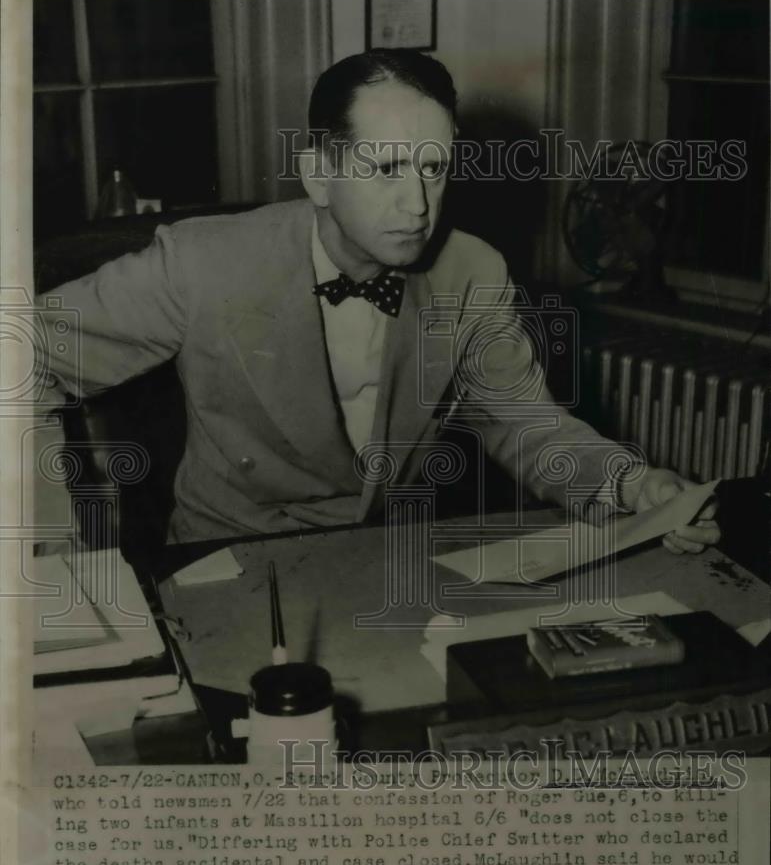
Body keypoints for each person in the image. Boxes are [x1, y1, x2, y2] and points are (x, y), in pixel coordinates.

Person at [35, 49, 719, 553]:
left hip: (392, 557)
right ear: (319, 175)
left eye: (433, 169)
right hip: (228, 558)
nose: (417, 204)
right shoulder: (201, 261)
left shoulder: (470, 271)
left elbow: (524, 424)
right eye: (386, 169)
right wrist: (53, 539)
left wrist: (632, 487)